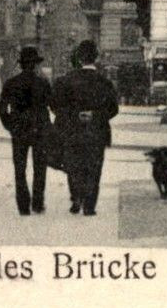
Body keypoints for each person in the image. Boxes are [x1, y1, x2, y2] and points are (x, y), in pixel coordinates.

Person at [51, 40, 120, 216]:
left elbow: (55, 107)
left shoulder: (65, 81)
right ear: (96, 58)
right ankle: (89, 206)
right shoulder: (104, 82)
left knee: (74, 166)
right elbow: (113, 109)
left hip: (72, 132)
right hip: (96, 133)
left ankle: (76, 199)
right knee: (94, 169)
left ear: (79, 59)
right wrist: (95, 115)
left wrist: (74, 116)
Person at [0, 46, 53, 215]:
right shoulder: (43, 83)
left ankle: (23, 205)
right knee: (40, 167)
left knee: (20, 168)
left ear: (21, 65)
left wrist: (10, 125)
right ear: (35, 65)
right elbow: (53, 105)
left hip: (19, 130)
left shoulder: (11, 83)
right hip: (39, 129)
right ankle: (37, 202)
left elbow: (1, 109)